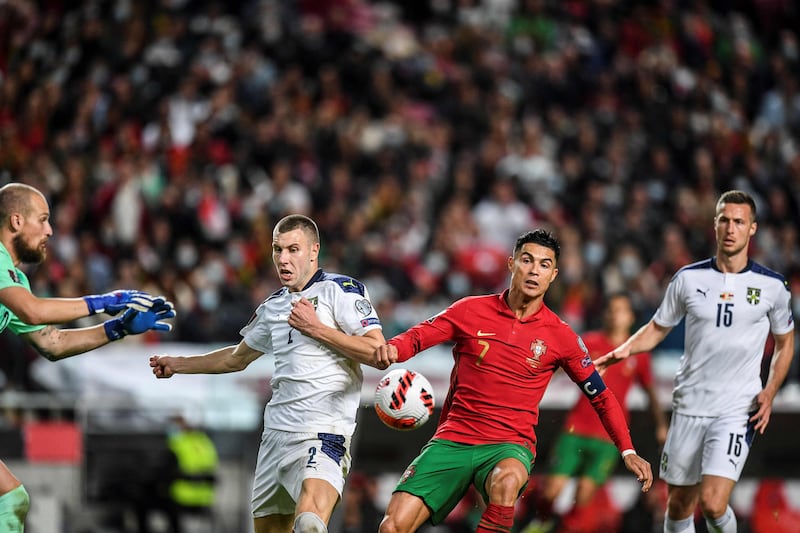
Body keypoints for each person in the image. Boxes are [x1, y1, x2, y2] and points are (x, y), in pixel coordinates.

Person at [372, 229, 653, 533]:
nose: (534, 270)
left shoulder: (562, 337)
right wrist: (393, 348)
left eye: (544, 265)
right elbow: (417, 337)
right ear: (511, 264)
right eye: (527, 260)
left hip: (509, 446)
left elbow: (601, 395)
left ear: (553, 275)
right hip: (453, 440)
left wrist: (627, 450)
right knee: (391, 527)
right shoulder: (469, 310)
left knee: (506, 483)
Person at [149, 214, 387, 533]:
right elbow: (236, 358)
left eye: (293, 249)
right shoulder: (274, 306)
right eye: (277, 250)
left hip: (323, 432)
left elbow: (377, 353)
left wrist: (316, 329)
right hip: (275, 437)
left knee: (310, 523)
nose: (283, 259)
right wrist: (177, 364)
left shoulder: (341, 291)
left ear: (314, 251)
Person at [595, 190, 795, 533]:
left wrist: (771, 390)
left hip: (736, 407)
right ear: (715, 226)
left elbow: (785, 342)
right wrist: (625, 349)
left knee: (714, 503)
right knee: (678, 506)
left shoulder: (772, 286)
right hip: (689, 406)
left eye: (739, 222)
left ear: (753, 229)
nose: (731, 228)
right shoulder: (688, 279)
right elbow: (658, 327)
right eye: (724, 220)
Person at [0, 182, 176, 532]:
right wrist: (104, 301)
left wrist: (116, 328)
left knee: (12, 499)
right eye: (43, 219)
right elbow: (34, 312)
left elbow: (52, 342)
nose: (50, 230)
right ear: (17, 221)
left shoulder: (12, 279)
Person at [525, 293, 669, 533]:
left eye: (621, 310)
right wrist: (532, 386)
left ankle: (561, 528)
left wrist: (661, 424)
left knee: (583, 496)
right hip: (576, 428)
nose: (615, 314)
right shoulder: (589, 342)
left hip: (608, 438)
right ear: (605, 314)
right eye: (611, 309)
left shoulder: (638, 354)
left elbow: (651, 392)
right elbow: (557, 369)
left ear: (631, 317)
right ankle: (541, 523)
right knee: (551, 491)